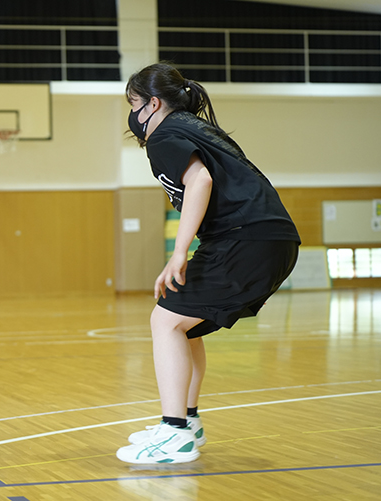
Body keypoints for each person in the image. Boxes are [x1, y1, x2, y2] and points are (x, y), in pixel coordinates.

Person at [116, 63, 301, 465]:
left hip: (246, 239)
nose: (131, 114)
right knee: (185, 326)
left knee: (165, 322)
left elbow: (200, 181)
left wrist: (178, 252)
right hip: (271, 239)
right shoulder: (194, 127)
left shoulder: (164, 134)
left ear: (151, 103)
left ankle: (175, 433)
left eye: (133, 103)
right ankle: (188, 421)